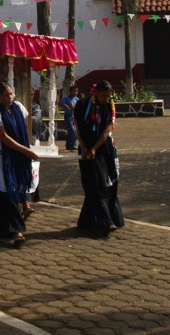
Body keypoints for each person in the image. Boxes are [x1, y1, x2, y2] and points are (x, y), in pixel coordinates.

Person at [0, 82, 38, 247]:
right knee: (7, 192)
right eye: (5, 95)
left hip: (16, 156)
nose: (9, 98)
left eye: (11, 94)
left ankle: (0, 227)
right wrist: (25, 150)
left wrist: (25, 149)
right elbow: (4, 137)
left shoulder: (20, 108)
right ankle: (17, 231)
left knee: (5, 193)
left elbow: (24, 128)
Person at [74, 80, 124, 235]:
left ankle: (107, 218)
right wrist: (83, 147)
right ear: (95, 92)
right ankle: (102, 221)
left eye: (108, 96)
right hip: (86, 148)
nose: (105, 99)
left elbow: (107, 129)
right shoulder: (83, 105)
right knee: (93, 183)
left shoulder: (109, 106)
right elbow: (78, 127)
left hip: (103, 148)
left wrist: (95, 148)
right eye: (103, 95)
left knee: (105, 182)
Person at [60, 84, 79, 151]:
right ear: (70, 91)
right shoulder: (66, 98)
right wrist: (65, 105)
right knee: (72, 130)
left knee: (73, 131)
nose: (75, 93)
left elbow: (79, 106)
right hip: (68, 116)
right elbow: (61, 103)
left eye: (76, 91)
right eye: (74, 91)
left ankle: (68, 145)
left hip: (74, 117)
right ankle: (73, 145)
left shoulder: (76, 99)